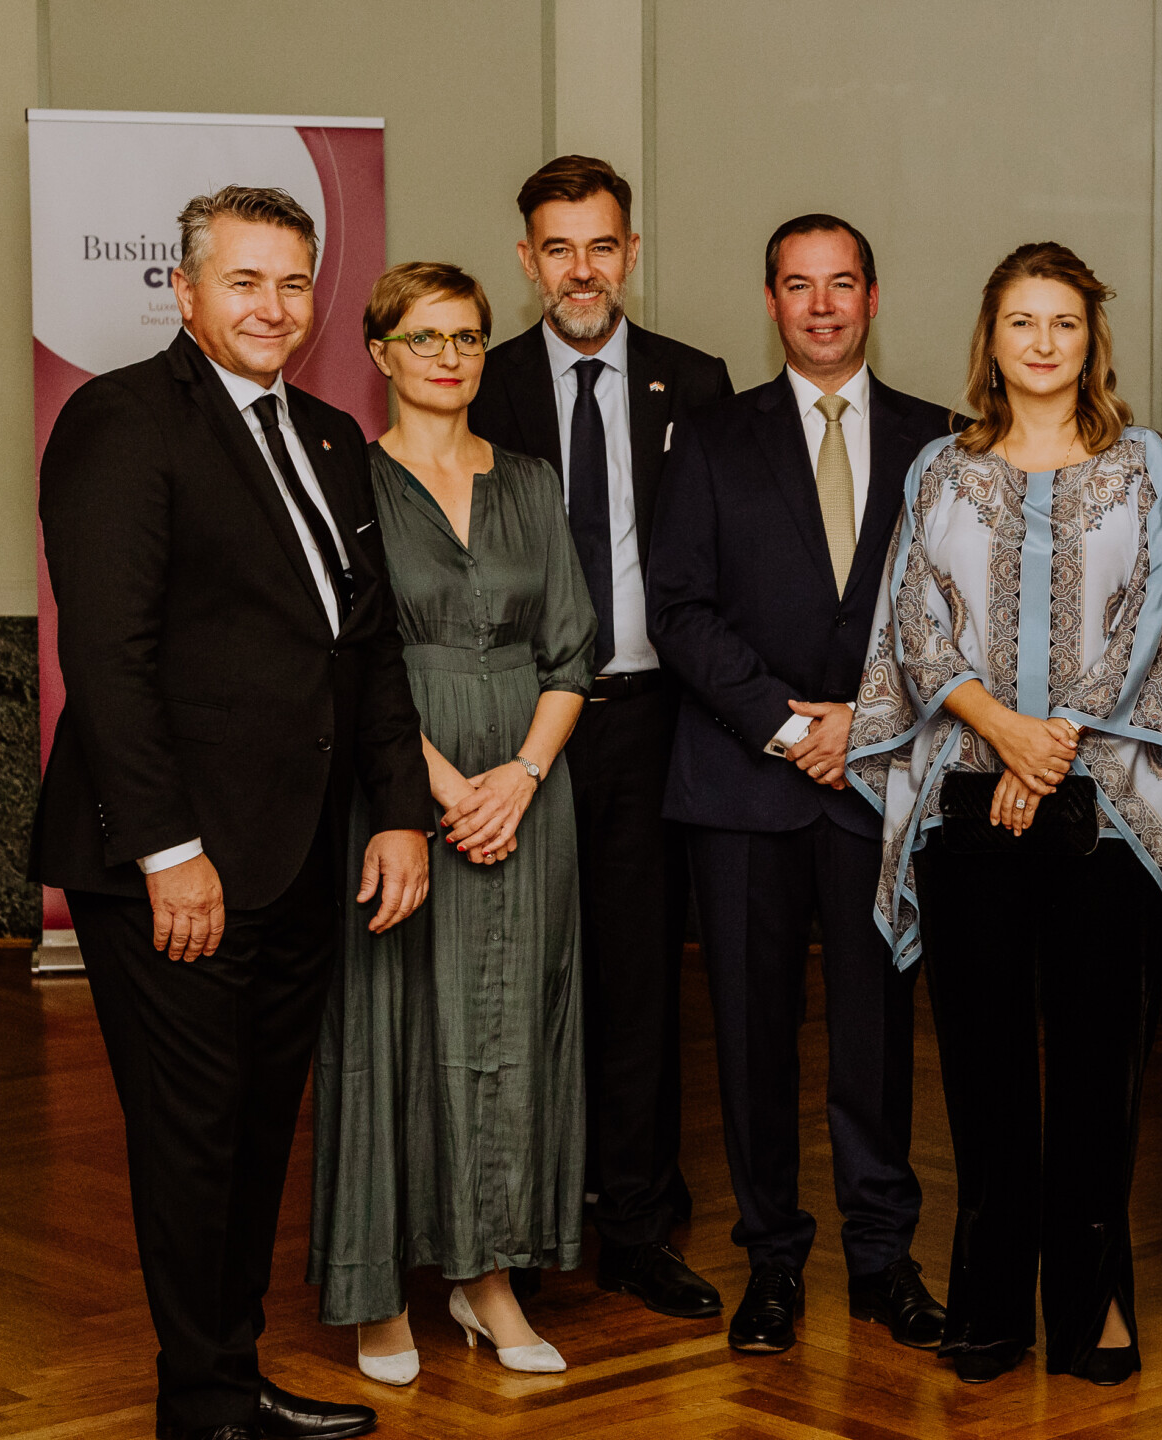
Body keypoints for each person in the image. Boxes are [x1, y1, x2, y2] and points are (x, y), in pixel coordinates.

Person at [31, 185, 429, 1440]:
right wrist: (171, 853)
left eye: (294, 282)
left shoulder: (324, 435)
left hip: (299, 851)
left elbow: (362, 651)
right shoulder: (120, 421)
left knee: (258, 1134)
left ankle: (231, 1378)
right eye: (245, 281)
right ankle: (198, 1403)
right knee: (194, 1139)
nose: (273, 306)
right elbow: (107, 660)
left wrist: (402, 812)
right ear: (185, 291)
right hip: (174, 867)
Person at [846, 241, 1162, 1386]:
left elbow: (1152, 614)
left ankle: (1093, 1302)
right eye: (1023, 321)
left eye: (1063, 321)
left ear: (1089, 339)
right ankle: (989, 1302)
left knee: (1099, 1068)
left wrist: (1049, 741)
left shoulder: (1145, 465)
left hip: (1104, 816)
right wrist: (1004, 736)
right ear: (992, 338)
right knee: (981, 1067)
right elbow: (916, 626)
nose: (1044, 342)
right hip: (971, 811)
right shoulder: (938, 471)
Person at [646, 214, 955, 1355]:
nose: (820, 305)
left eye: (841, 284)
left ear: (874, 297)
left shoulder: (940, 443)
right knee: (750, 1035)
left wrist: (860, 725)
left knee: (878, 1041)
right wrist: (786, 724)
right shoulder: (710, 437)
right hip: (740, 782)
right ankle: (771, 1262)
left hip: (880, 784)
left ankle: (883, 1262)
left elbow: (954, 622)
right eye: (796, 286)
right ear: (769, 301)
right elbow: (676, 606)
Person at [307, 263, 593, 1384]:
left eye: (468, 338)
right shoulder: (347, 484)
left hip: (531, 789)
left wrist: (519, 775)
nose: (448, 358)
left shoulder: (529, 478)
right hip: (398, 787)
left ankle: (487, 1280)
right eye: (423, 338)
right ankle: (378, 1291)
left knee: (513, 1030)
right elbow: (346, 660)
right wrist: (435, 783)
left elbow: (571, 651)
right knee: (389, 1026)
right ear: (378, 353)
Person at [463, 154, 734, 1320]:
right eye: (558, 247)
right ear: (527, 260)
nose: (583, 268)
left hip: (648, 725)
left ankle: (632, 1224)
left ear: (632, 252)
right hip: (514, 729)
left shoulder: (697, 381)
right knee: (513, 981)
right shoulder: (485, 381)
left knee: (635, 985)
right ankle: (516, 1232)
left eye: (603, 244)